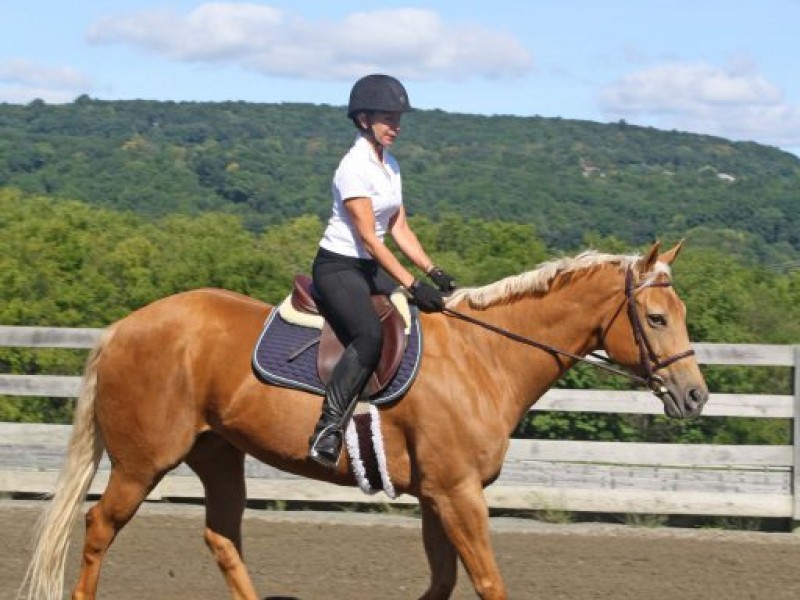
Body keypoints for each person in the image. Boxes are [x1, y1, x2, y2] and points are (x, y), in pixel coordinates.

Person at [308, 74, 456, 468]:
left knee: (419, 317)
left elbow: (399, 228)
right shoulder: (353, 167)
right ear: (364, 120)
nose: (396, 126)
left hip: (370, 266)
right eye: (388, 118)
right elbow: (370, 240)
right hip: (338, 266)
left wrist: (434, 271)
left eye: (398, 118)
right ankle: (328, 427)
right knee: (369, 335)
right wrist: (412, 283)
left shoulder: (390, 165)